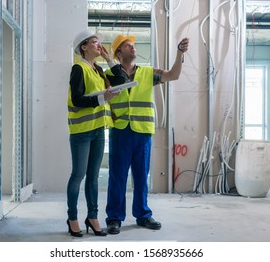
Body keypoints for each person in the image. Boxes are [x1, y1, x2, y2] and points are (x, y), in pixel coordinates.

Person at [104, 34, 189, 235]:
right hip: (120, 130)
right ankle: (114, 218)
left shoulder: (148, 73)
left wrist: (179, 53)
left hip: (142, 132)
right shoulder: (109, 75)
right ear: (118, 53)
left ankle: (142, 215)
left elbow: (173, 75)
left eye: (133, 45)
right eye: (127, 45)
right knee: (117, 177)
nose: (133, 47)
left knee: (141, 176)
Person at [66, 29, 118, 237]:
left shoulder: (98, 70)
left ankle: (93, 217)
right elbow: (77, 99)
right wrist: (101, 98)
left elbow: (120, 78)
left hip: (97, 130)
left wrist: (108, 58)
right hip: (81, 132)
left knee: (94, 177)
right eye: (95, 42)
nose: (99, 45)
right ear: (84, 47)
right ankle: (72, 218)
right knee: (78, 175)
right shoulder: (78, 68)